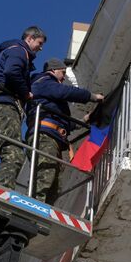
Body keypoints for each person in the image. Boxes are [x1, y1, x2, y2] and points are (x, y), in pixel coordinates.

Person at [0, 26, 46, 189]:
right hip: (4, 105)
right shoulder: (19, 51)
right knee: (13, 151)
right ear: (30, 38)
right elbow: (12, 72)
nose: (40, 48)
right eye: (39, 43)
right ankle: (4, 189)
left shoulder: (12, 51)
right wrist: (26, 93)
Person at [26, 58, 104, 203]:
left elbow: (62, 122)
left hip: (51, 136)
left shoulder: (48, 91)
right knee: (45, 173)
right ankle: (32, 206)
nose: (63, 78)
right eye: (62, 72)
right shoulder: (43, 82)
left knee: (54, 183)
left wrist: (83, 120)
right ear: (53, 70)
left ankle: (41, 211)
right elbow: (65, 92)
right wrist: (92, 97)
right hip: (45, 136)